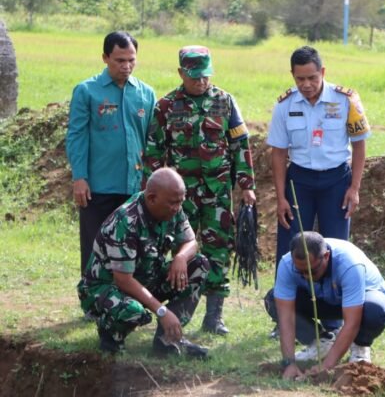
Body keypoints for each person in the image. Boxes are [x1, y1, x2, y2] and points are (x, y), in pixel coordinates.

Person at [144, 46, 256, 336]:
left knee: (219, 249)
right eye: (194, 77)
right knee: (182, 249)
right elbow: (155, 153)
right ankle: (180, 312)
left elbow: (240, 146)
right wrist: (149, 192)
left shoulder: (225, 102)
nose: (201, 82)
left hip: (217, 192)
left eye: (205, 76)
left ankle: (214, 317)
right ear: (181, 73)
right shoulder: (166, 106)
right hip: (179, 198)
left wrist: (246, 185)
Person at [77, 168, 210, 358]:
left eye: (180, 202)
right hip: (108, 288)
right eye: (172, 203)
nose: (176, 207)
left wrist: (180, 257)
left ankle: (167, 340)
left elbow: (191, 242)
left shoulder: (173, 208)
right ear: (152, 198)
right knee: (133, 311)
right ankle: (110, 336)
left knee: (199, 265)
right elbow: (123, 280)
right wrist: (162, 311)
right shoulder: (126, 221)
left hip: (146, 277)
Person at [267, 46, 370, 268]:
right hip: (299, 182)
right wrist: (281, 197)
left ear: (323, 72)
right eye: (300, 79)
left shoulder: (346, 100)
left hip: (336, 181)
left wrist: (354, 188)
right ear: (292, 76)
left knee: (337, 246)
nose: (306, 85)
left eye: (312, 78)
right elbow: (278, 153)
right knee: (291, 245)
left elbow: (359, 146)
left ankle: (335, 300)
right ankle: (286, 298)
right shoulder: (284, 105)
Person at [66, 31, 156, 277]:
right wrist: (80, 177)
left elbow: (153, 140)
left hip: (135, 187)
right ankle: (93, 300)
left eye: (131, 60)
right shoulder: (87, 91)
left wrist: (152, 179)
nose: (126, 66)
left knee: (133, 247)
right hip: (99, 186)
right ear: (105, 58)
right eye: (119, 60)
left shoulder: (146, 94)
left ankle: (127, 302)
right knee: (96, 246)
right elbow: (77, 137)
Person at [264, 231, 385, 379]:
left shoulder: (349, 264)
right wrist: (289, 363)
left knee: (374, 312)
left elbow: (352, 322)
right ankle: (320, 341)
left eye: (312, 271)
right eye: (301, 272)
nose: (306, 276)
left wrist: (326, 366)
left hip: (362, 299)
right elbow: (285, 318)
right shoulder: (286, 264)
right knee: (273, 300)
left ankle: (360, 346)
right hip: (322, 298)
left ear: (326, 256)